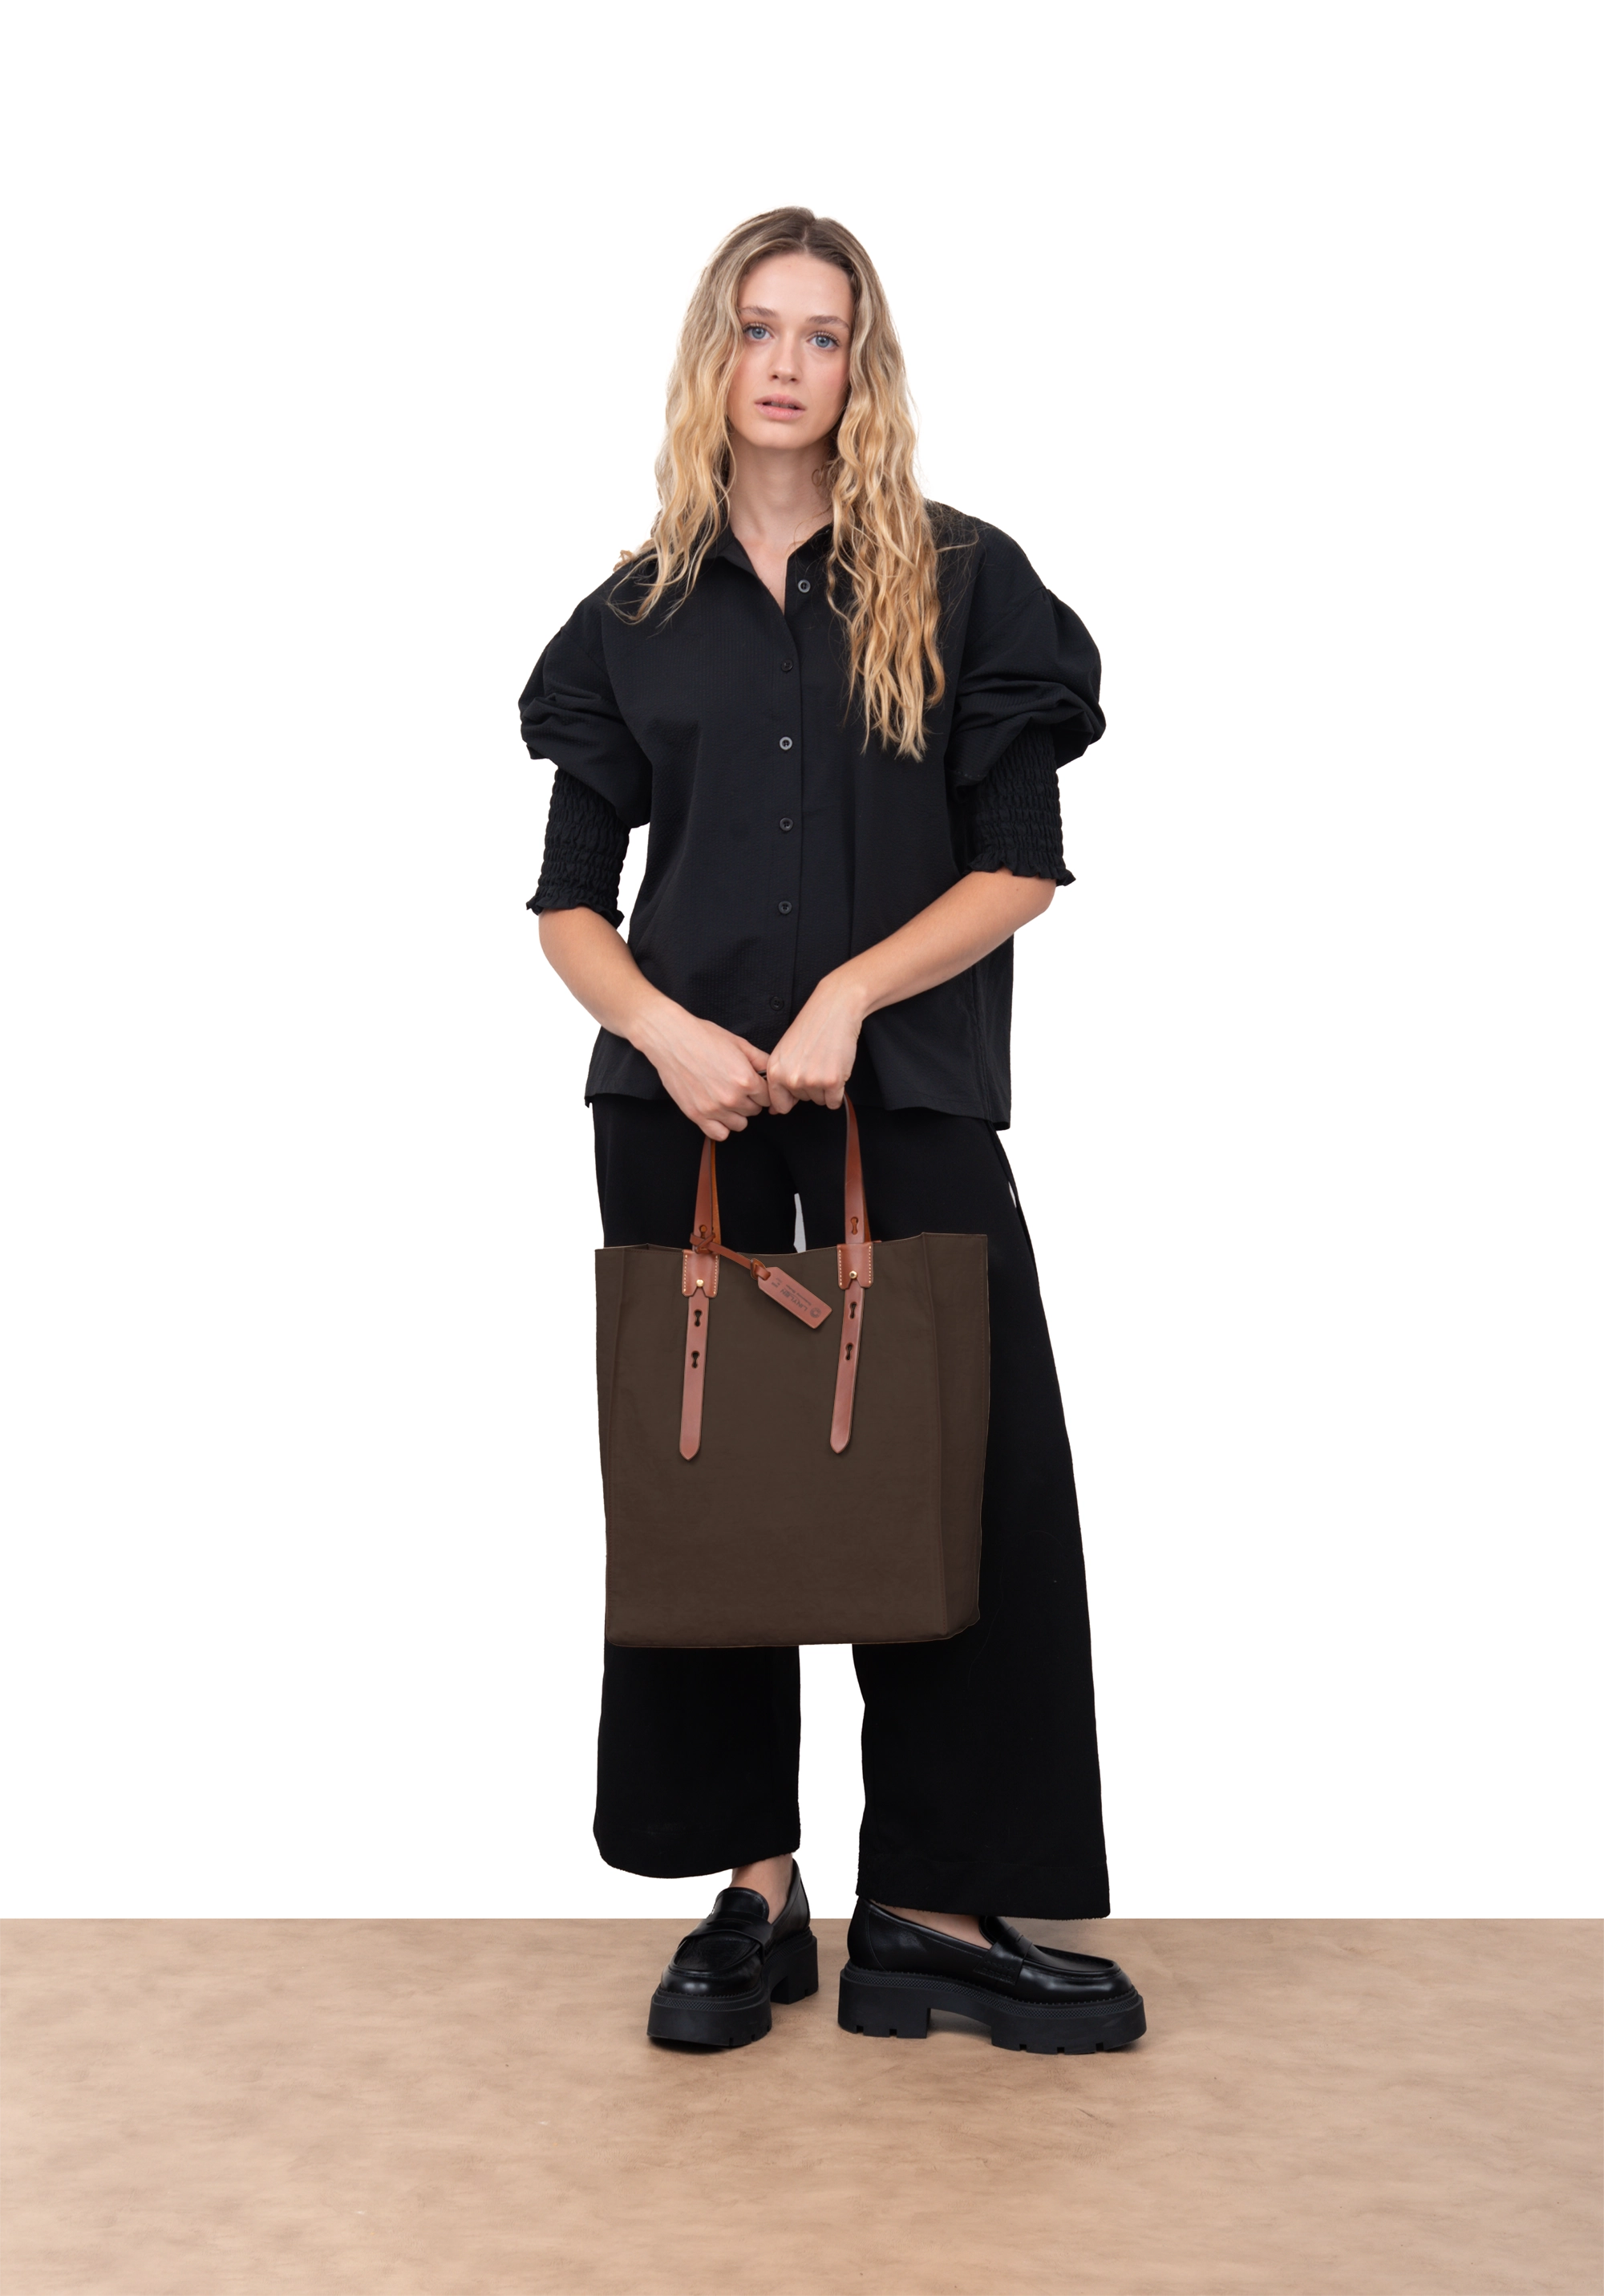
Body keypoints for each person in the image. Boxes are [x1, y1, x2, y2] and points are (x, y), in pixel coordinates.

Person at [520, 208, 1144, 2055]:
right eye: (757, 327)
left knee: (962, 1477)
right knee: (709, 1492)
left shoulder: (963, 584)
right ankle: (755, 1895)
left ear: (863, 367)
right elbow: (569, 906)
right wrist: (662, 1031)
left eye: (823, 333)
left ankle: (933, 1911)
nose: (786, 363)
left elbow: (1018, 867)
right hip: (680, 1111)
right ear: (709, 354)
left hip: (910, 1094)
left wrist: (850, 997)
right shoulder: (630, 620)